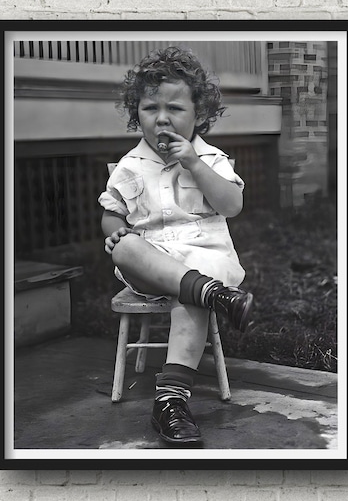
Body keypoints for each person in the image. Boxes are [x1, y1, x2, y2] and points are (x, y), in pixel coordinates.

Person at [98, 46, 254, 446]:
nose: (162, 118)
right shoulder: (131, 165)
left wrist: (195, 165)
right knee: (123, 248)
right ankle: (219, 297)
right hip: (151, 264)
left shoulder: (212, 159)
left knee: (191, 298)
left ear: (199, 115)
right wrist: (115, 230)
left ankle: (170, 402)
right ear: (137, 115)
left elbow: (231, 205)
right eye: (151, 108)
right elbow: (112, 213)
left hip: (203, 259)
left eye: (175, 108)